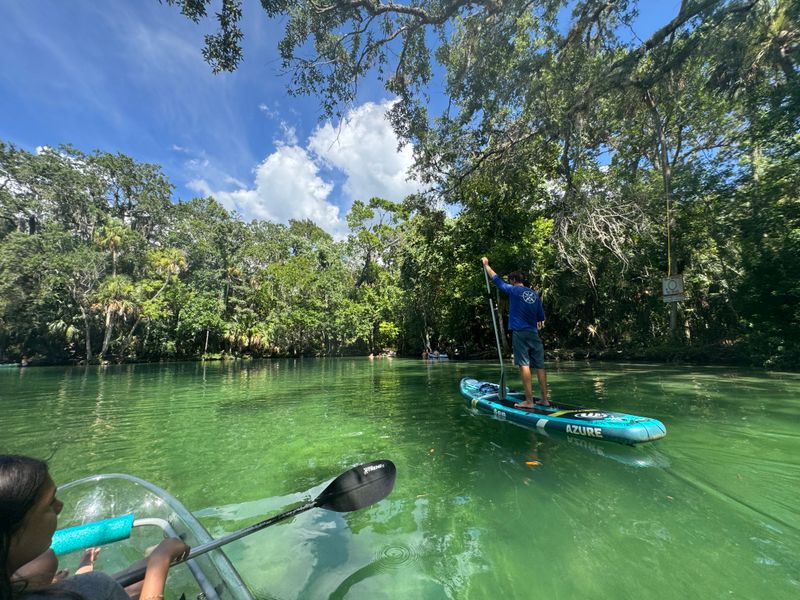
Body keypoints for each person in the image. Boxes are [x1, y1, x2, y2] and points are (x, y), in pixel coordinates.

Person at [1, 454, 189, 600]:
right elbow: (93, 588)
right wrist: (160, 561)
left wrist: (78, 573)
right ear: (13, 529)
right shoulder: (95, 587)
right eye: (50, 504)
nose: (60, 507)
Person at [481, 257, 550, 409]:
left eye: (510, 280)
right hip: (534, 333)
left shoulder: (513, 290)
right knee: (540, 365)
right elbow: (541, 318)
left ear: (513, 280)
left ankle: (529, 401)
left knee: (524, 364)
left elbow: (496, 279)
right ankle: (545, 399)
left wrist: (486, 265)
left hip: (520, 333)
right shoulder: (534, 294)